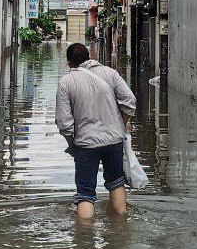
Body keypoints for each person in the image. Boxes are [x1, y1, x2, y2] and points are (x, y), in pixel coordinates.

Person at [55, 42, 136, 219]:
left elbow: (64, 123)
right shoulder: (110, 73)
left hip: (85, 144)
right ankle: (121, 225)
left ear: (69, 63)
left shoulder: (66, 82)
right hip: (114, 141)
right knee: (116, 183)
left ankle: (84, 239)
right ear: (89, 57)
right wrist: (120, 126)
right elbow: (129, 101)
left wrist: (72, 144)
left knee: (85, 194)